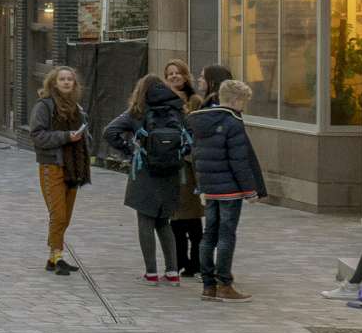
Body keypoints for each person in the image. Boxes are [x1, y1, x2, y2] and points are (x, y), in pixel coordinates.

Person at [103, 76, 196, 285]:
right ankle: (173, 272)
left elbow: (109, 132)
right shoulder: (179, 111)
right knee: (164, 222)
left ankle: (151, 273)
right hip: (171, 173)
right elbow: (191, 138)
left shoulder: (136, 112)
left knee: (145, 220)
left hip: (144, 172)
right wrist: (178, 154)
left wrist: (130, 150)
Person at [187, 78, 268, 300]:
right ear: (236, 100)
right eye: (244, 102)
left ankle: (208, 285)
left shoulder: (201, 121)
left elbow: (197, 156)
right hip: (230, 189)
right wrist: (250, 190)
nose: (244, 108)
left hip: (210, 187)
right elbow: (239, 161)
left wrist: (202, 185)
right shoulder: (233, 123)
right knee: (226, 235)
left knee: (208, 235)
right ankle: (224, 283)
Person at [28, 63, 90, 275]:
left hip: (73, 167)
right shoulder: (44, 106)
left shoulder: (77, 108)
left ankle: (52, 258)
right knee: (59, 214)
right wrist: (66, 137)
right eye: (62, 79)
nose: (66, 82)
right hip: (52, 165)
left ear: (74, 84)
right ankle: (58, 256)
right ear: (54, 83)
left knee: (66, 216)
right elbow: (37, 135)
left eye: (69, 79)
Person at [157, 58, 205, 279]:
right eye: (170, 74)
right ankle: (179, 261)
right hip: (169, 165)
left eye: (178, 73)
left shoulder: (195, 101)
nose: (174, 77)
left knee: (192, 217)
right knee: (174, 217)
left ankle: (196, 262)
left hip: (187, 165)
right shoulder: (160, 103)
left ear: (186, 76)